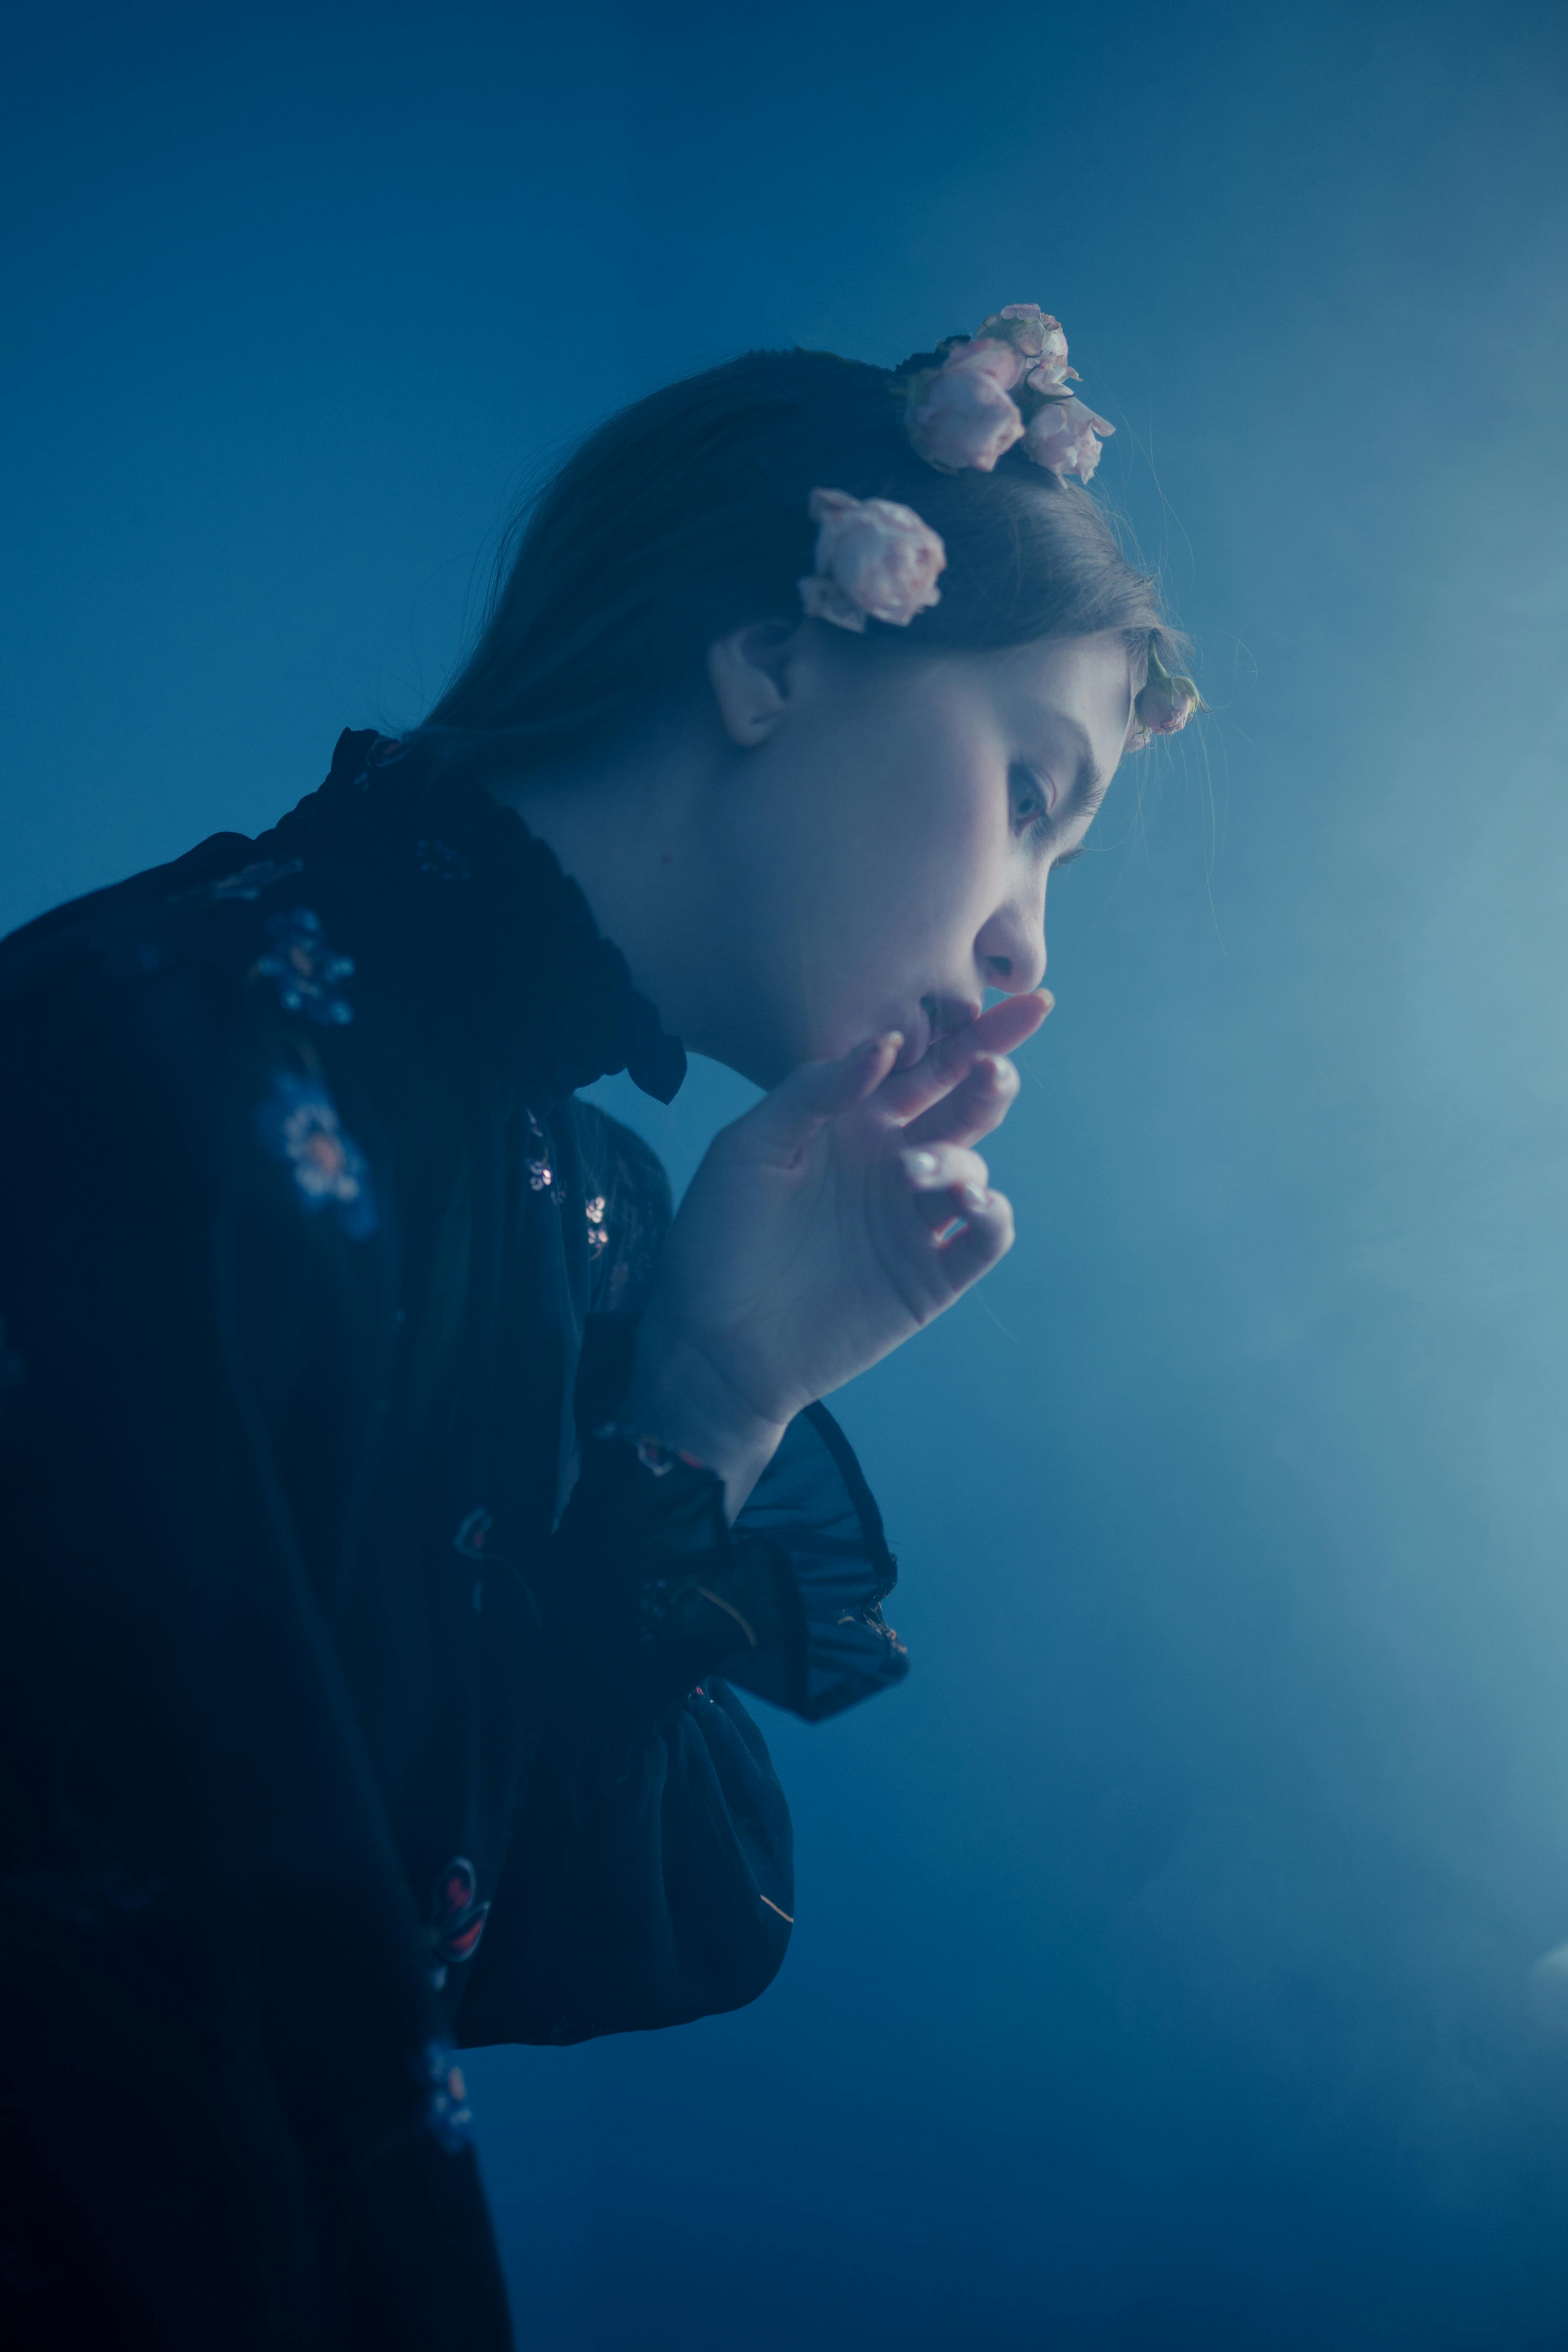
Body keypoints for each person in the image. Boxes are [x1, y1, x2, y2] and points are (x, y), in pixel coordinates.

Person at [0, 305, 1196, 2348]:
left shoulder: (602, 1208)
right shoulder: (154, 1057)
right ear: (776, 655)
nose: (1029, 949)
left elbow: (499, 1936)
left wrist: (716, 1397)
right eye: (1027, 793)